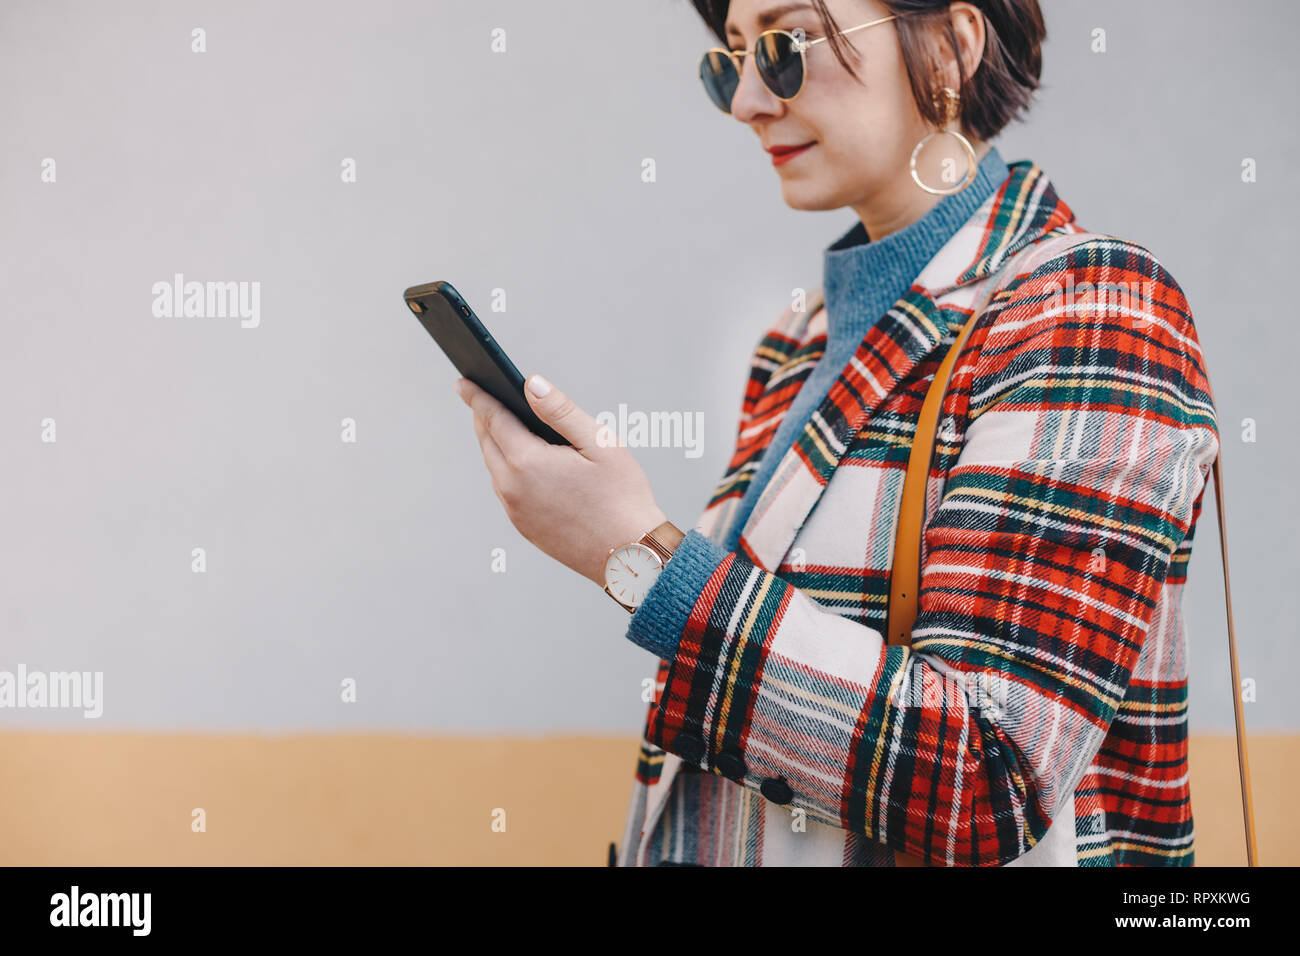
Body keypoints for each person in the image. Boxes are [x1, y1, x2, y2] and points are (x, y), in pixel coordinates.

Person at [453, 0, 1220, 866]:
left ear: (954, 44)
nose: (746, 100)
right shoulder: (799, 342)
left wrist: (639, 558)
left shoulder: (1089, 306)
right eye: (729, 60)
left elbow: (988, 780)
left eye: (784, 47)